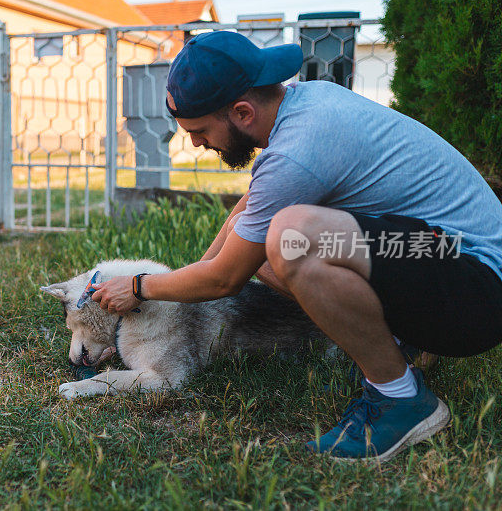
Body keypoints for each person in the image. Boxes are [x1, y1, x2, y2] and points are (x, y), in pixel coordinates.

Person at [90, 30, 502, 462]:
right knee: (263, 245)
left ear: (242, 112)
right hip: (434, 257)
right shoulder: (304, 105)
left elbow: (226, 278)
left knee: (289, 239)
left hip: (476, 290)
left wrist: (139, 287)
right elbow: (243, 220)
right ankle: (400, 345)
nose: (195, 143)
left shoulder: (298, 152)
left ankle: (399, 399)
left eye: (199, 130)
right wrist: (188, 277)